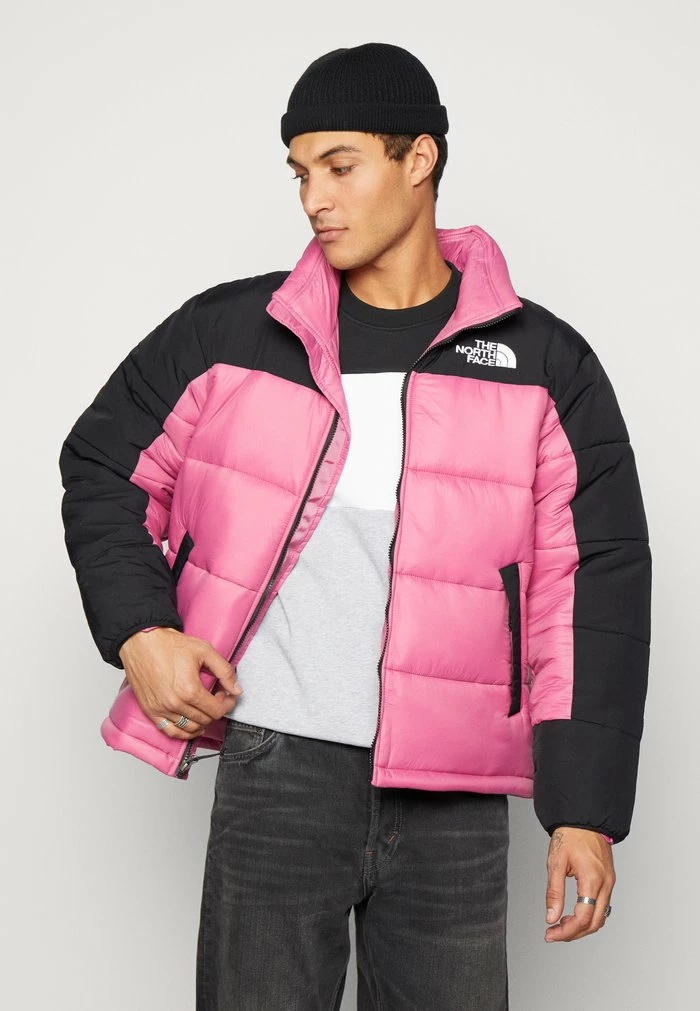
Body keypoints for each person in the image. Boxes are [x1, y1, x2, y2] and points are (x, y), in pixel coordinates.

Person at [59, 42, 652, 1011]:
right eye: (301, 173)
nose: (314, 200)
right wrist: (141, 631)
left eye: (340, 166)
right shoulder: (230, 335)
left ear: (419, 159)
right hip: (276, 766)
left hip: (454, 791)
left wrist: (584, 809)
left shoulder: (544, 365)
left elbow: (592, 587)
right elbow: (101, 469)